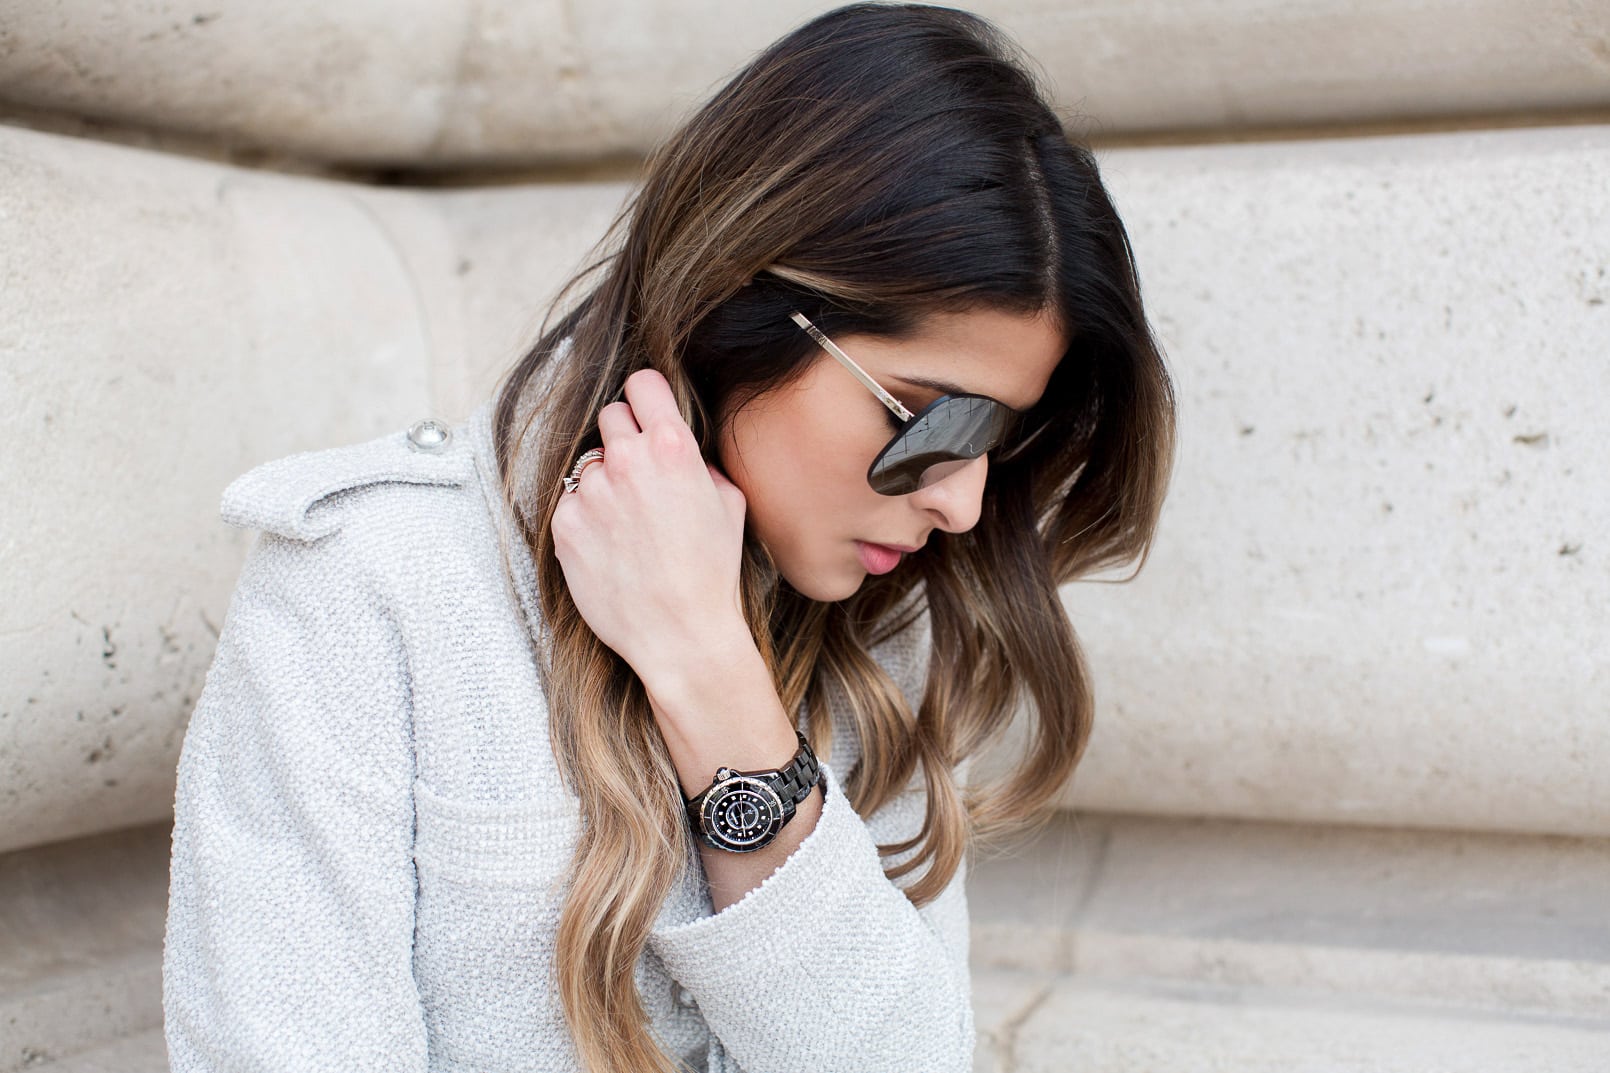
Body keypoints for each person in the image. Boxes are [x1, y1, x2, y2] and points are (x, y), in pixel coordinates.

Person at [162, 3, 1175, 1072]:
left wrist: (712, 683)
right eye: (928, 417)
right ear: (734, 301)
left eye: (995, 436)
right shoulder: (370, 587)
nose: (962, 502)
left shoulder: (881, 641)